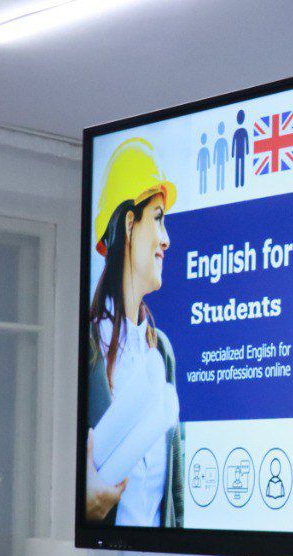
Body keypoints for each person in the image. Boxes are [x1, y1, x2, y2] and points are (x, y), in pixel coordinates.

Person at [85, 136, 184, 528]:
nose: (166, 239)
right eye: (157, 217)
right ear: (129, 224)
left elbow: (175, 501)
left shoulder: (162, 353)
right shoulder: (89, 347)